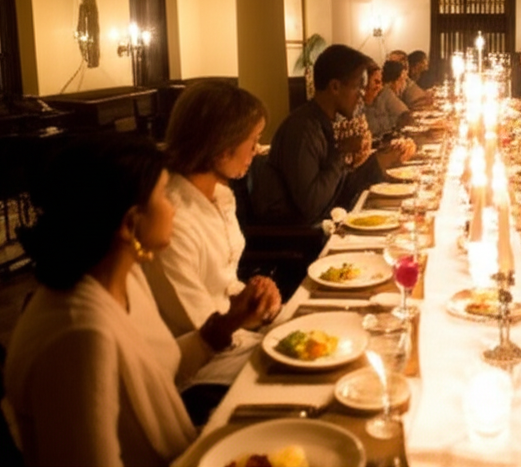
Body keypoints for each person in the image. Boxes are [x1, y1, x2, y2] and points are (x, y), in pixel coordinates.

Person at [6, 136, 264, 465]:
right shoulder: (78, 337)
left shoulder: (125, 274)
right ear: (130, 224)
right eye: (163, 195)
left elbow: (157, 369)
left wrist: (225, 325)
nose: (173, 207)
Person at [142, 81, 281, 420]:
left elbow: (224, 282)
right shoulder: (172, 219)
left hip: (238, 338)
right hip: (200, 374)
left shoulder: (219, 195)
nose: (257, 150)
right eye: (252, 142)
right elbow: (200, 327)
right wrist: (245, 314)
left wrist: (258, 295)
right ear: (221, 149)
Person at [250, 44, 380, 224]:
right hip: (299, 239)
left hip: (319, 224)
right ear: (335, 87)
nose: (362, 94)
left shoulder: (324, 121)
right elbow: (312, 205)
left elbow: (338, 188)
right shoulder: (303, 130)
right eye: (358, 86)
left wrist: (382, 160)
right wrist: (341, 154)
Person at [364, 60, 413, 136]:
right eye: (376, 82)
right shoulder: (356, 106)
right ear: (364, 82)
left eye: (380, 82)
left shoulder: (384, 93)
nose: (379, 86)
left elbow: (405, 114)